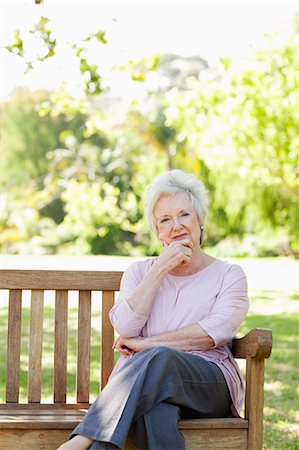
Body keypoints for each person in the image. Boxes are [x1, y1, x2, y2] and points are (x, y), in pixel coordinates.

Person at [57, 169, 249, 450]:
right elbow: (125, 327)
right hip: (148, 391)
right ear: (157, 231)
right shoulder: (139, 272)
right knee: (155, 411)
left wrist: (145, 345)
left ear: (199, 221)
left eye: (184, 214)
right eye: (165, 220)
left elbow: (213, 333)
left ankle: (81, 439)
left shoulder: (229, 274)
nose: (177, 226)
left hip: (208, 385)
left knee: (160, 357)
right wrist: (161, 268)